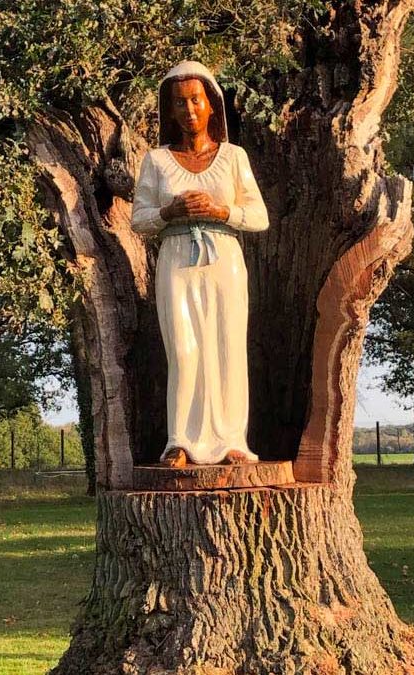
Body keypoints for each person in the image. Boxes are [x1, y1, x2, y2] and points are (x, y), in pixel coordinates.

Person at [131, 60, 270, 467]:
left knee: (227, 346)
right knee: (184, 349)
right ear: (170, 109)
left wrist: (220, 211)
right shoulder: (157, 161)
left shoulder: (233, 157)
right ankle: (181, 441)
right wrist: (170, 212)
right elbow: (139, 219)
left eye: (195, 100)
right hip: (177, 260)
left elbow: (259, 217)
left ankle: (231, 441)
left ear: (211, 104)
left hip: (223, 258)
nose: (189, 110)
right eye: (179, 102)